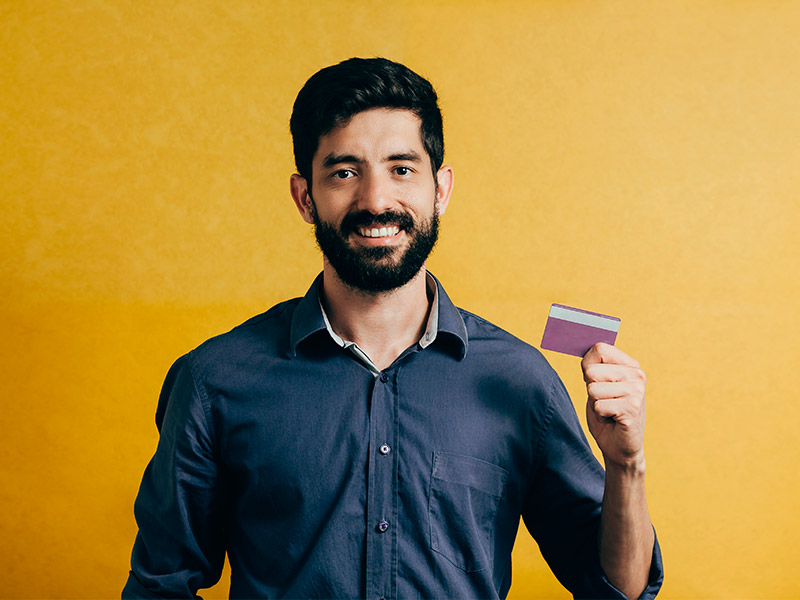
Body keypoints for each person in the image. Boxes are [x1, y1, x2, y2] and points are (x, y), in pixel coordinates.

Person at [123, 57, 663, 599]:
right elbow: (159, 586)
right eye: (344, 172)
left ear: (441, 189)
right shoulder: (215, 381)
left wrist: (626, 465)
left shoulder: (522, 382)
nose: (377, 201)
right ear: (305, 197)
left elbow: (617, 591)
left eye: (402, 169)